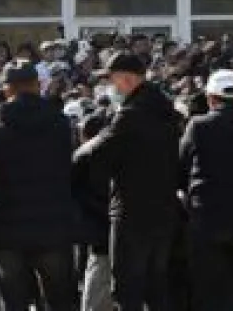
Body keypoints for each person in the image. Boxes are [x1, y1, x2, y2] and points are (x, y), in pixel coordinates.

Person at [73, 51, 182, 311]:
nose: (112, 88)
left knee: (126, 288)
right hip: (164, 211)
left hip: (132, 211)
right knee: (156, 287)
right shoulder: (167, 112)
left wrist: (76, 158)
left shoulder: (131, 114)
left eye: (113, 81)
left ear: (129, 80)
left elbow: (97, 152)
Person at [0, 61, 80, 311]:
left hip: (6, 222)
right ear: (37, 85)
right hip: (53, 221)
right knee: (60, 299)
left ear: (7, 89)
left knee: (13, 301)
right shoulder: (60, 122)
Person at [179, 69, 233, 311]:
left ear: (211, 98)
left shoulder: (198, 126)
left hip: (207, 217)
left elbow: (181, 167)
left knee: (210, 291)